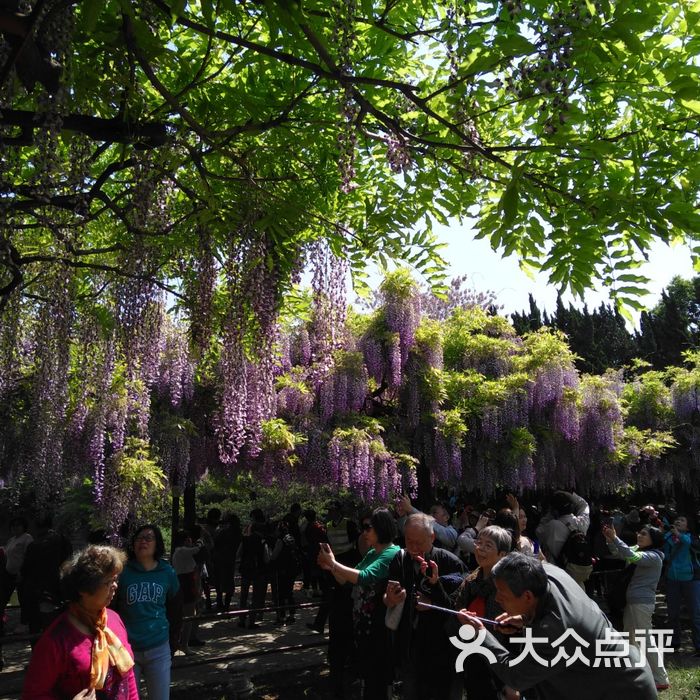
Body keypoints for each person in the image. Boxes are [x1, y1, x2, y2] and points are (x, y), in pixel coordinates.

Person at [457, 552, 657, 699]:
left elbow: (515, 676)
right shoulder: (548, 573)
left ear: (527, 596)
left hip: (622, 690)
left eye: (502, 594)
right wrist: (526, 618)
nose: (497, 599)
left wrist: (481, 634)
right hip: (615, 672)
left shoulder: (555, 630)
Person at [22, 545, 138, 699]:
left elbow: (128, 677)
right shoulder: (55, 641)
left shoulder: (114, 620)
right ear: (84, 589)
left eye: (116, 579)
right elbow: (33, 695)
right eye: (108, 581)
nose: (115, 585)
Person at [318, 508, 400, 700]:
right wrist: (330, 566)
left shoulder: (391, 553)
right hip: (364, 628)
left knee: (378, 682)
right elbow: (347, 580)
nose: (364, 532)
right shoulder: (372, 553)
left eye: (368, 527)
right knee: (368, 680)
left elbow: (364, 577)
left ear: (381, 528)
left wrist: (334, 563)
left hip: (380, 629)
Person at [383, 512, 465, 700]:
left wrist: (433, 603)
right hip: (410, 642)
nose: (413, 547)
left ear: (432, 537)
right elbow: (387, 597)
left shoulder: (449, 562)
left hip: (441, 646)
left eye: (418, 542)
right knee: (412, 691)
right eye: (408, 541)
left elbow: (458, 607)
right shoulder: (400, 559)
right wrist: (391, 599)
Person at [114, 524, 181, 700]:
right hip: (127, 649)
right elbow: (112, 608)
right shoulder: (123, 572)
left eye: (148, 538)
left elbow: (175, 609)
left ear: (157, 544)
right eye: (139, 538)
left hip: (158, 646)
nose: (143, 541)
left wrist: (174, 640)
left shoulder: (167, 572)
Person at [449, 526, 516, 700]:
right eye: (479, 543)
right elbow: (455, 609)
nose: (480, 548)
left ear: (502, 554)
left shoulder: (509, 586)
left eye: (488, 545)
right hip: (473, 657)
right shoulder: (471, 580)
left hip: (500, 661)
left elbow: (517, 632)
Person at [603, 522, 670, 690]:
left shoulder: (654, 556)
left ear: (653, 539)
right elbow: (619, 552)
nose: (639, 535)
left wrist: (615, 538)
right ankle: (638, 670)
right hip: (633, 601)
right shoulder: (639, 550)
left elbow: (630, 556)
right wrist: (610, 540)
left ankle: (661, 678)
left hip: (642, 602)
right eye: (639, 532)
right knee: (629, 638)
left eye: (644, 534)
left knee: (645, 639)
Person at [663, 514, 700, 655]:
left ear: (687, 526)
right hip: (673, 579)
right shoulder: (668, 537)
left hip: (691, 579)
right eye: (676, 520)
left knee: (695, 613)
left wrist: (679, 535)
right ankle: (674, 642)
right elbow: (665, 555)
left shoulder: (692, 537)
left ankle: (698, 645)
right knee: (672, 613)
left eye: (682, 520)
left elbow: (693, 546)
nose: (678, 521)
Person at [171, 528, 205, 655]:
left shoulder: (179, 552)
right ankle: (184, 644)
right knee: (189, 616)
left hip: (185, 582)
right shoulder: (182, 551)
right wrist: (201, 540)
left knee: (186, 615)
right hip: (186, 583)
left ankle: (181, 642)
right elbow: (197, 549)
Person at [212, 513, 242, 612]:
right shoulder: (238, 532)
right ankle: (226, 604)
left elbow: (215, 543)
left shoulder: (222, 532)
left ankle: (220, 601)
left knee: (219, 581)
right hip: (231, 560)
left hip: (220, 559)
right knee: (229, 582)